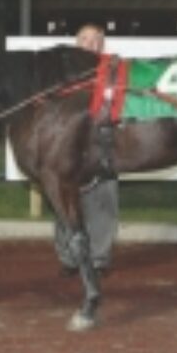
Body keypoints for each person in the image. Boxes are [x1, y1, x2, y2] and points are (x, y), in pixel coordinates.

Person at [54, 23, 118, 275]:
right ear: (76, 43)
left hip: (103, 148)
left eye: (95, 40)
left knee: (103, 203)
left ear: (102, 45)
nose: (89, 45)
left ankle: (99, 258)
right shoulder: (59, 74)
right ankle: (69, 258)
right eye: (84, 39)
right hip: (67, 150)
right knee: (64, 202)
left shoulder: (114, 70)